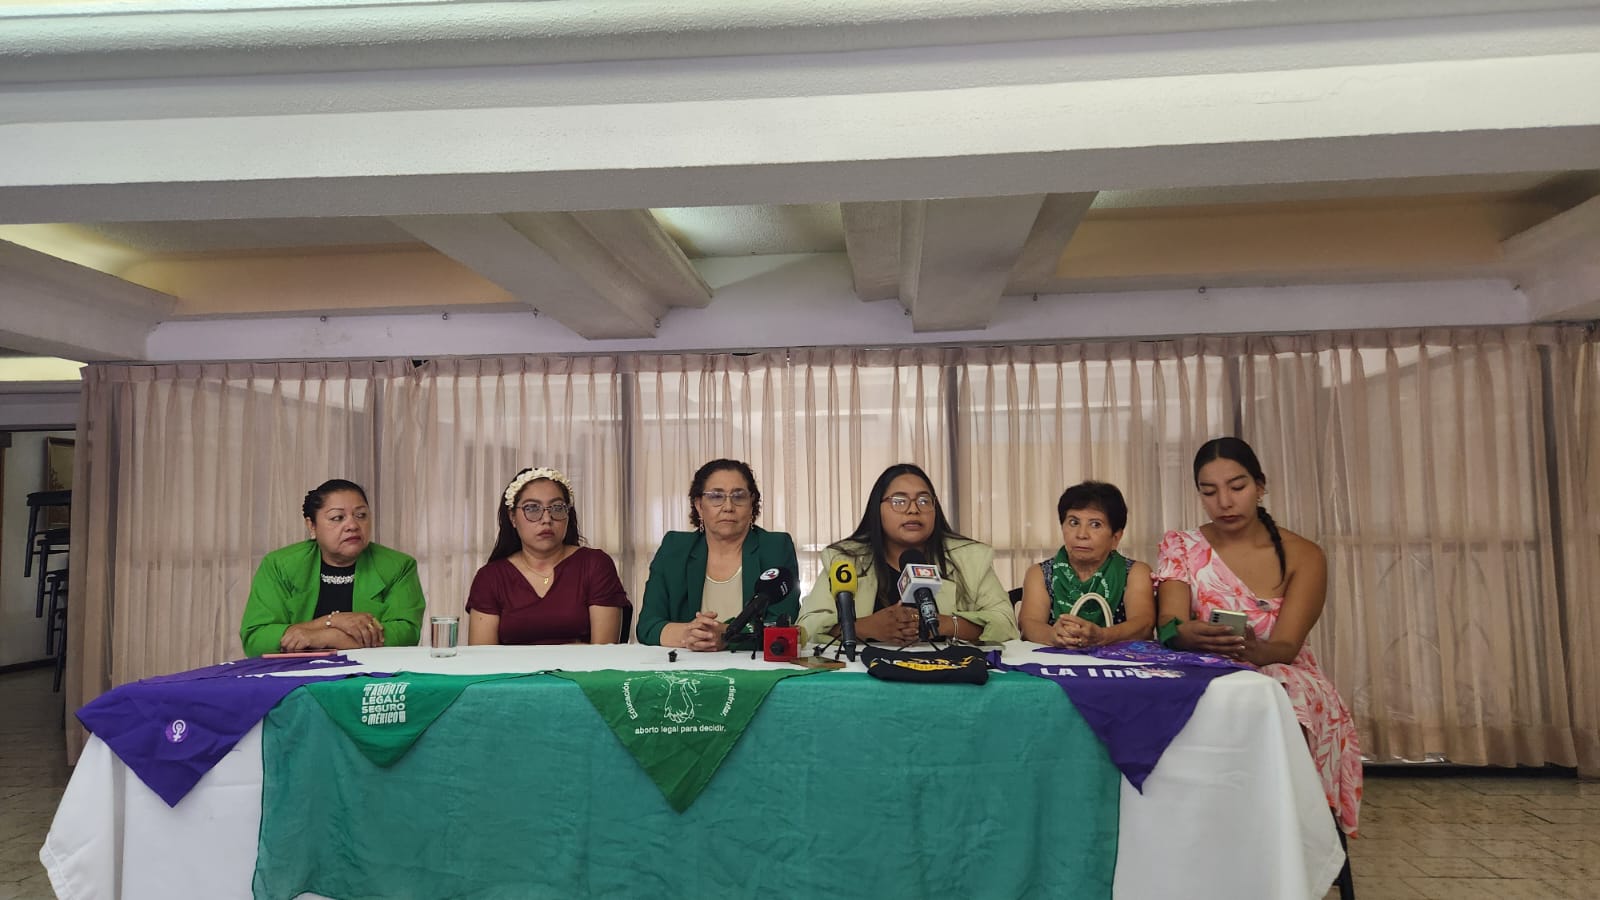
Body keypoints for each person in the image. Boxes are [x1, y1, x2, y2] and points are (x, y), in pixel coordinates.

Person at [1154, 437, 1361, 834]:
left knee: (1276, 690)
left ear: (1260, 486)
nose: (1224, 502)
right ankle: (1192, 830)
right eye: (1209, 492)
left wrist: (1255, 650)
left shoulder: (1305, 555)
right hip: (1203, 670)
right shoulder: (1181, 546)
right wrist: (1185, 634)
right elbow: (1169, 622)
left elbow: (1286, 646)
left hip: (1281, 672)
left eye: (1237, 487)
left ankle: (1284, 830)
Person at [796, 463, 1018, 645]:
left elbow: (1006, 624)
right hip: (864, 673)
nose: (913, 510)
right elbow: (806, 627)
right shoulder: (846, 560)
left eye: (924, 501)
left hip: (949, 673)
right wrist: (865, 627)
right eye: (899, 501)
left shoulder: (969, 558)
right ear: (877, 509)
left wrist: (944, 624)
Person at [240, 479, 425, 657]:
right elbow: (256, 639)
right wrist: (331, 621)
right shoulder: (280, 565)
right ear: (312, 526)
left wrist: (328, 637)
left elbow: (405, 635)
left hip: (368, 674)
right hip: (296, 673)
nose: (352, 525)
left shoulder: (397, 566)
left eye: (361, 515)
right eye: (338, 518)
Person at [637, 459, 800, 650]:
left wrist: (727, 634)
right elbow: (647, 626)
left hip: (750, 664)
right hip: (686, 662)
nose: (728, 507)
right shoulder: (674, 548)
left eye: (738, 496)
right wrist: (690, 634)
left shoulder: (775, 547)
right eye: (716, 496)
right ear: (699, 505)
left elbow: (781, 624)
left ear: (751, 504)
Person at [467, 466, 629, 645]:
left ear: (568, 514)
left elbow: (603, 653)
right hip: (515, 668)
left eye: (557, 508)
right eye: (532, 508)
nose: (546, 519)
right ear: (512, 517)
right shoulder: (490, 578)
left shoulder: (595, 565)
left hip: (584, 665)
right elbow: (483, 657)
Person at [1018, 481, 1155, 648]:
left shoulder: (1135, 572)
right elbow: (1028, 625)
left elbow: (1144, 625)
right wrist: (1054, 636)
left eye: (1095, 524)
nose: (1082, 534)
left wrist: (1103, 636)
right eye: (1074, 522)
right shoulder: (1040, 573)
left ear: (1116, 537)